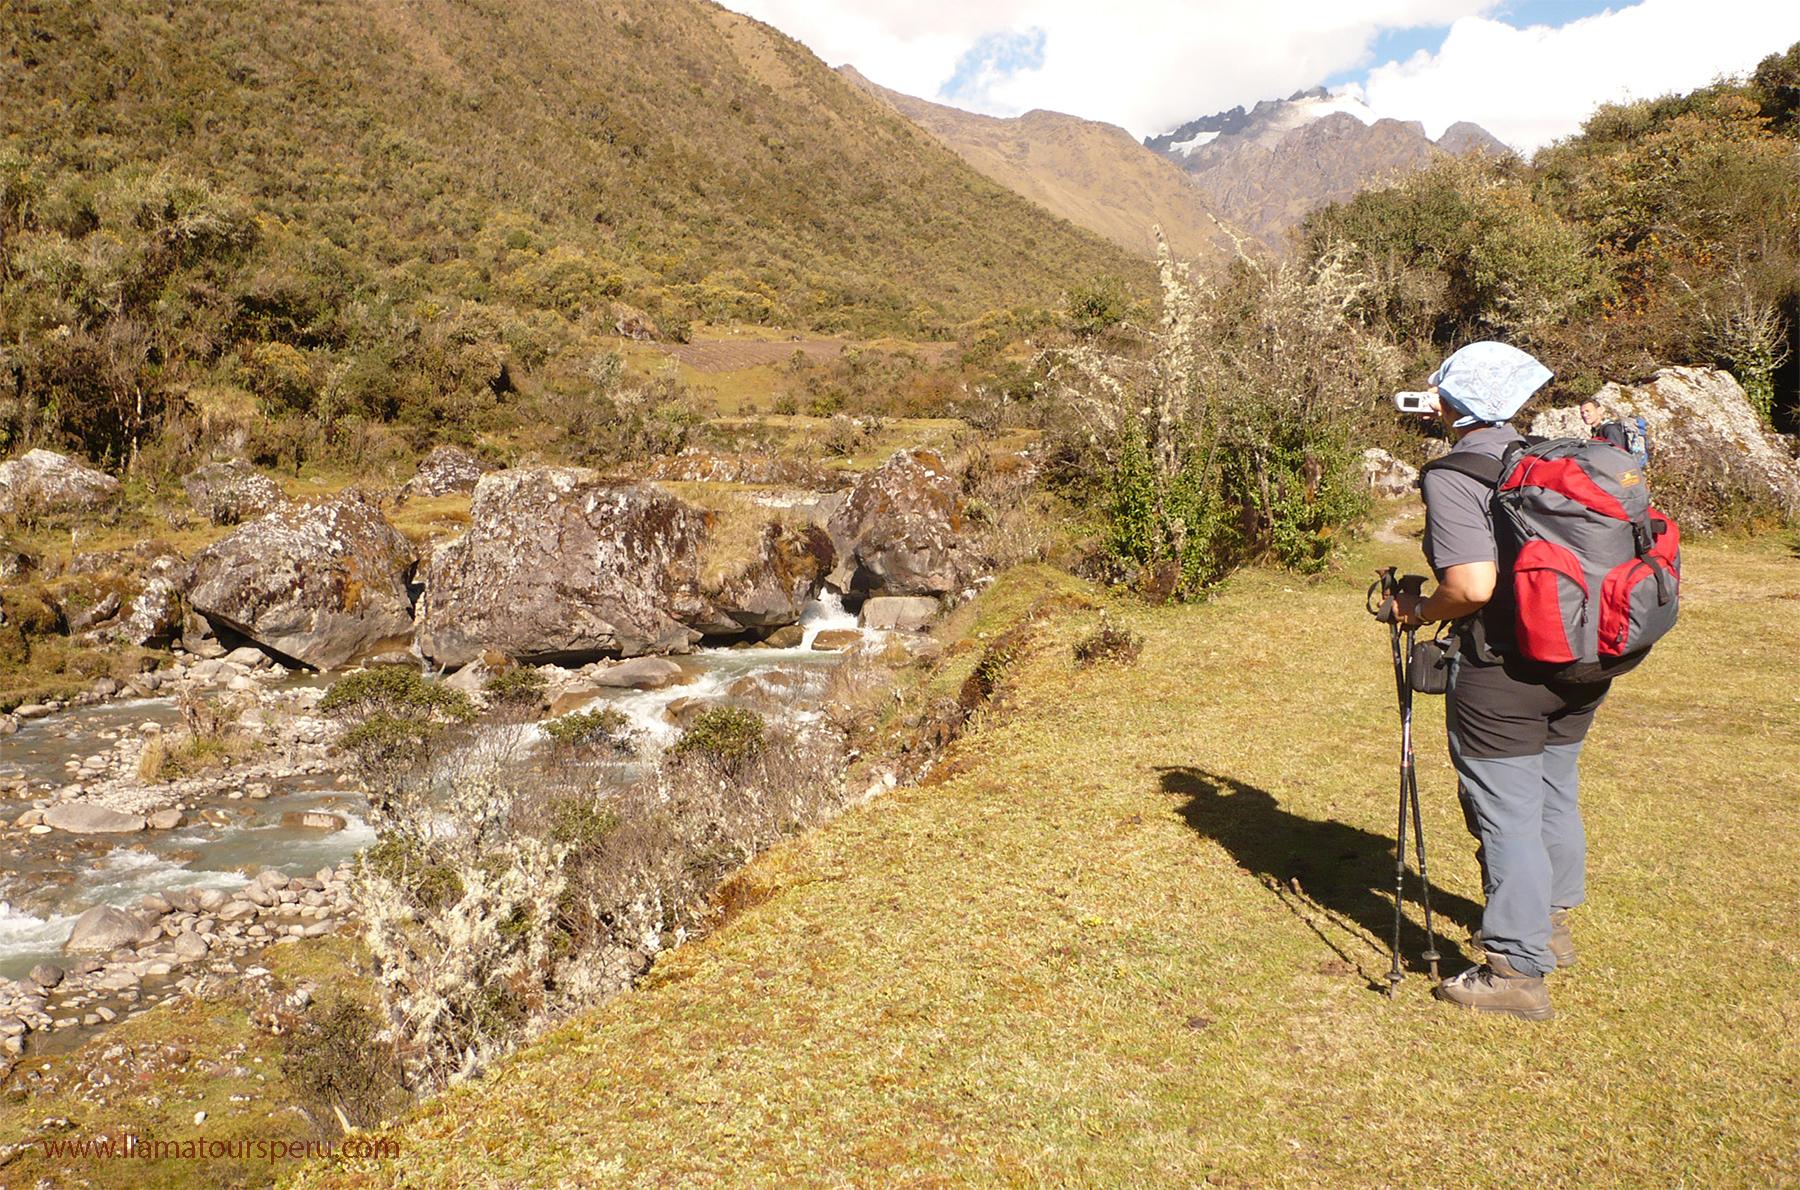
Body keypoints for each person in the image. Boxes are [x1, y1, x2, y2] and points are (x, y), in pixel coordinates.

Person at [1395, 341, 1611, 1022]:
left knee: (1505, 811)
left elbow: (1472, 584)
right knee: (1553, 791)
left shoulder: (1455, 474)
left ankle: (1516, 969)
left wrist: (1418, 610)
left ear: (1452, 404)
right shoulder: (1552, 459)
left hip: (1504, 671)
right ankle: (1548, 925)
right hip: (1584, 659)